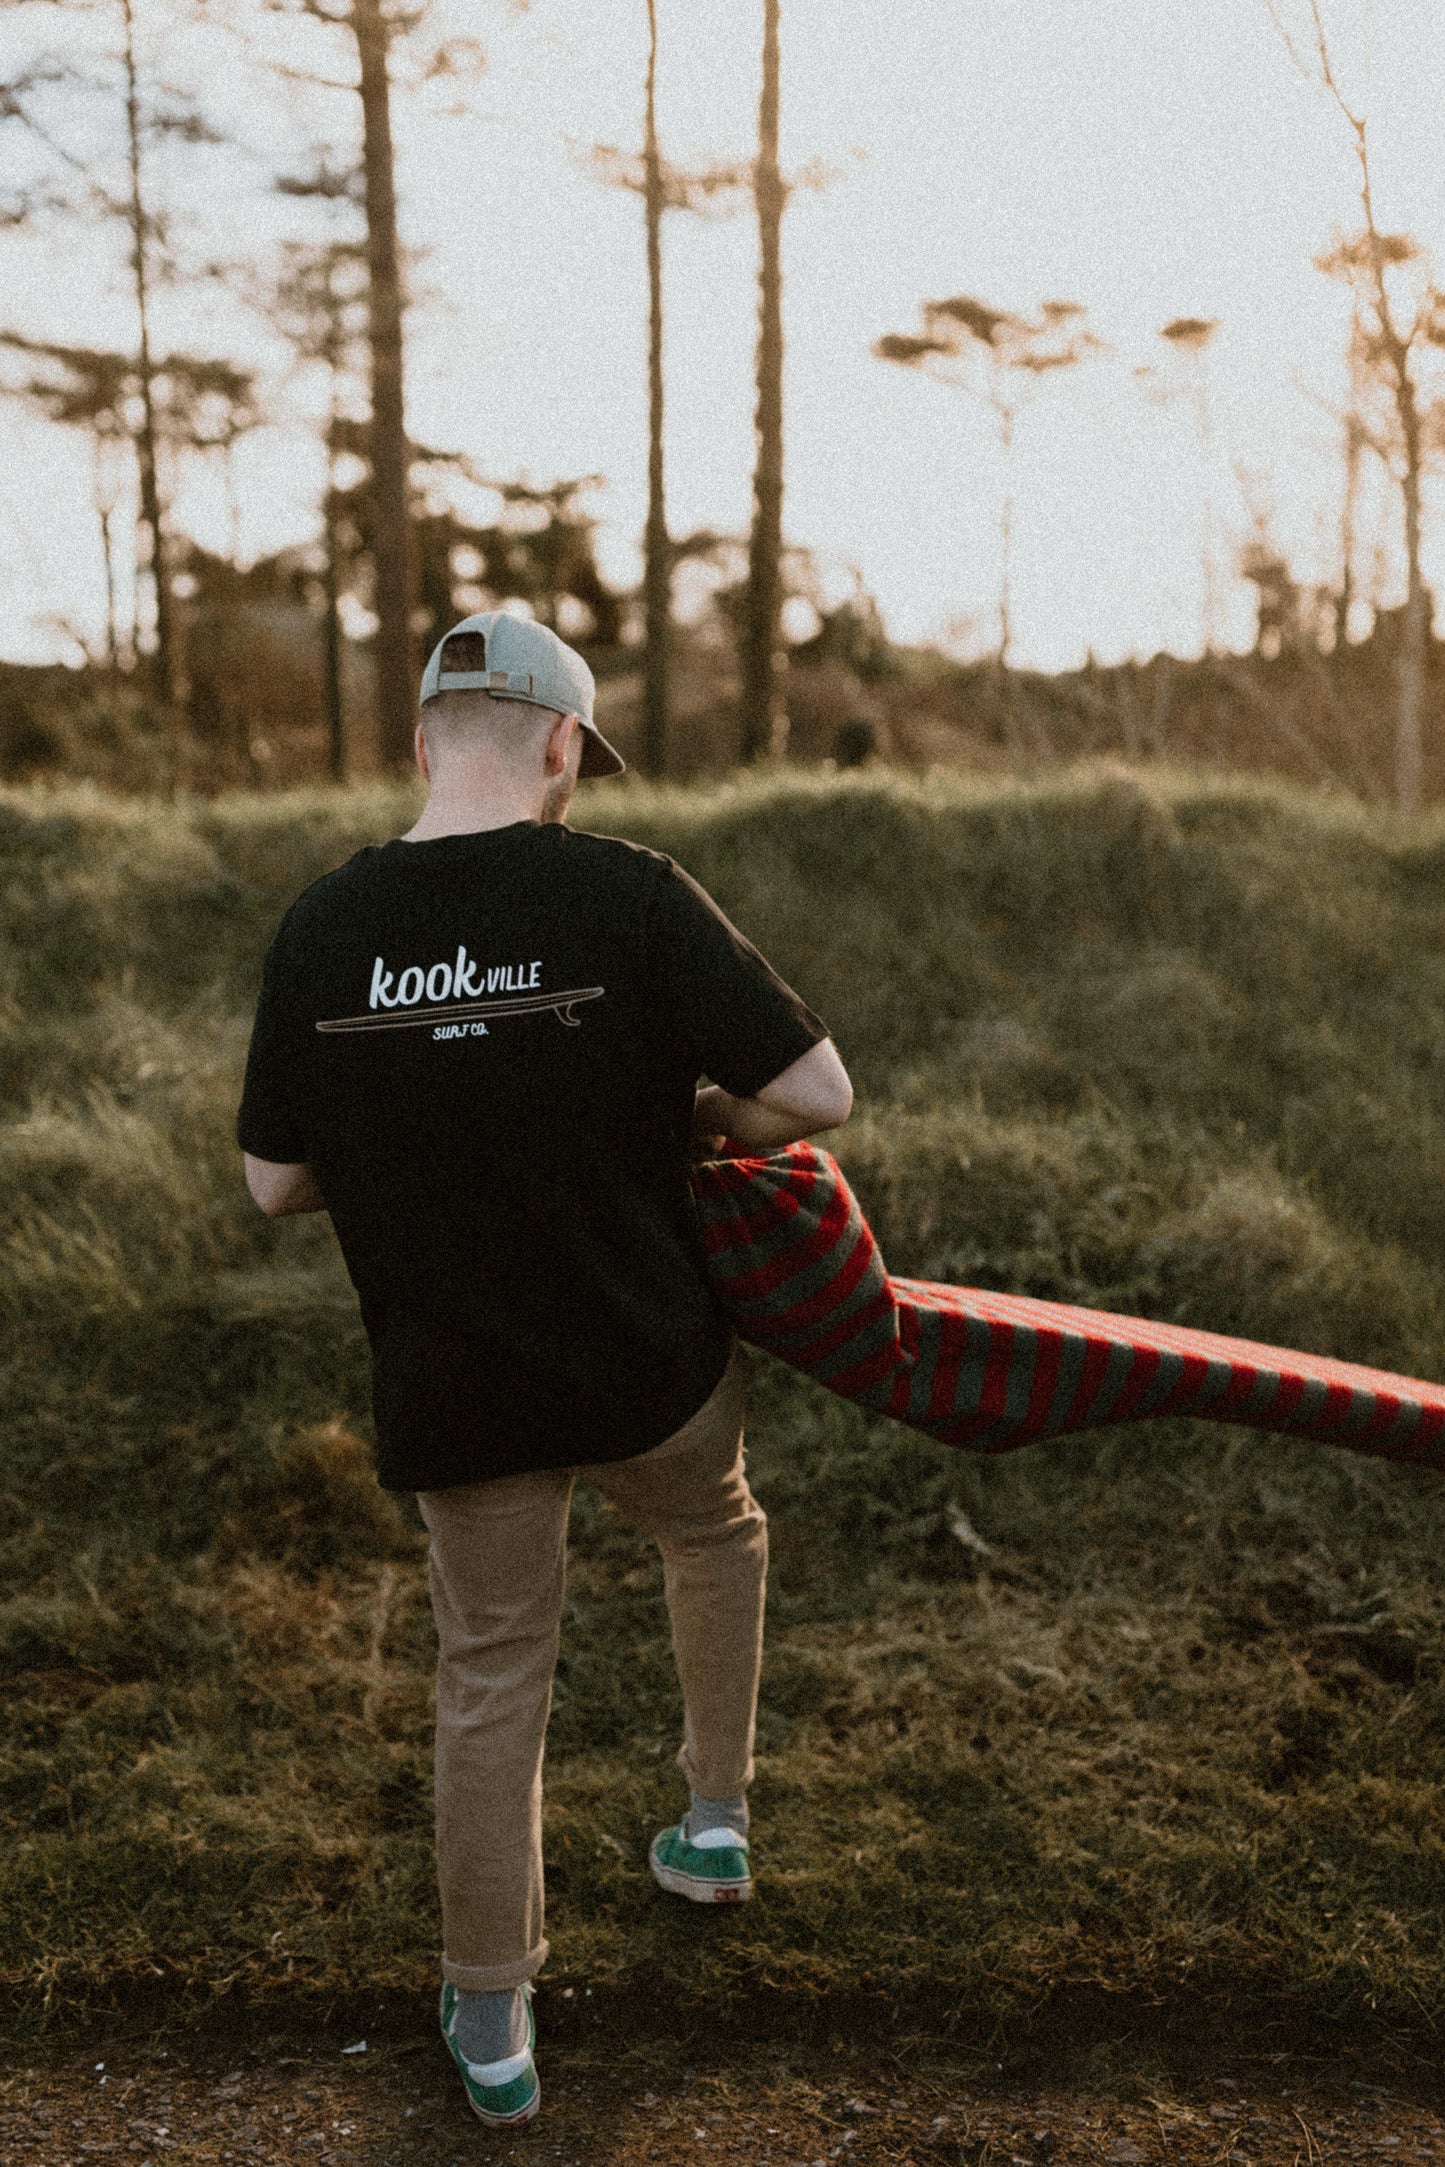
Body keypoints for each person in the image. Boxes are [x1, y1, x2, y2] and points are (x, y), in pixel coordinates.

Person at [236, 611, 852, 2128]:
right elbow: (817, 1092)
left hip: (461, 1385)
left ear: (428, 741)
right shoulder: (628, 894)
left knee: (493, 1667)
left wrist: (411, 1123)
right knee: (712, 1526)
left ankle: (495, 2022)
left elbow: (271, 1184)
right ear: (563, 745)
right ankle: (712, 1827)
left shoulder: (323, 922)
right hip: (650, 1363)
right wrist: (700, 1121)